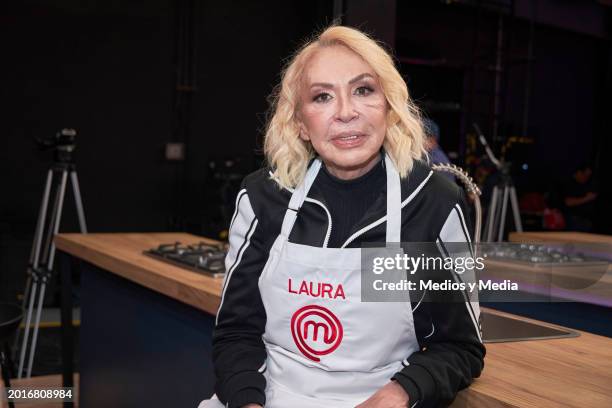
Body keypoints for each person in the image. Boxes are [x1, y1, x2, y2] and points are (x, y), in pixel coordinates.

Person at [200, 25, 484, 408]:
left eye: (363, 90)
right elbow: (236, 332)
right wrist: (248, 403)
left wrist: (400, 393)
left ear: (389, 104)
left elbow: (459, 347)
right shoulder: (263, 197)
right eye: (322, 97)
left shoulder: (433, 202)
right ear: (300, 122)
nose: (346, 112)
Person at [562, 163, 598, 232]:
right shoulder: (568, 183)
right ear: (579, 172)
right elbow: (568, 202)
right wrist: (587, 198)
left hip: (584, 220)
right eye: (585, 175)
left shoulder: (584, 184)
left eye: (588, 176)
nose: (586, 178)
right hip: (572, 220)